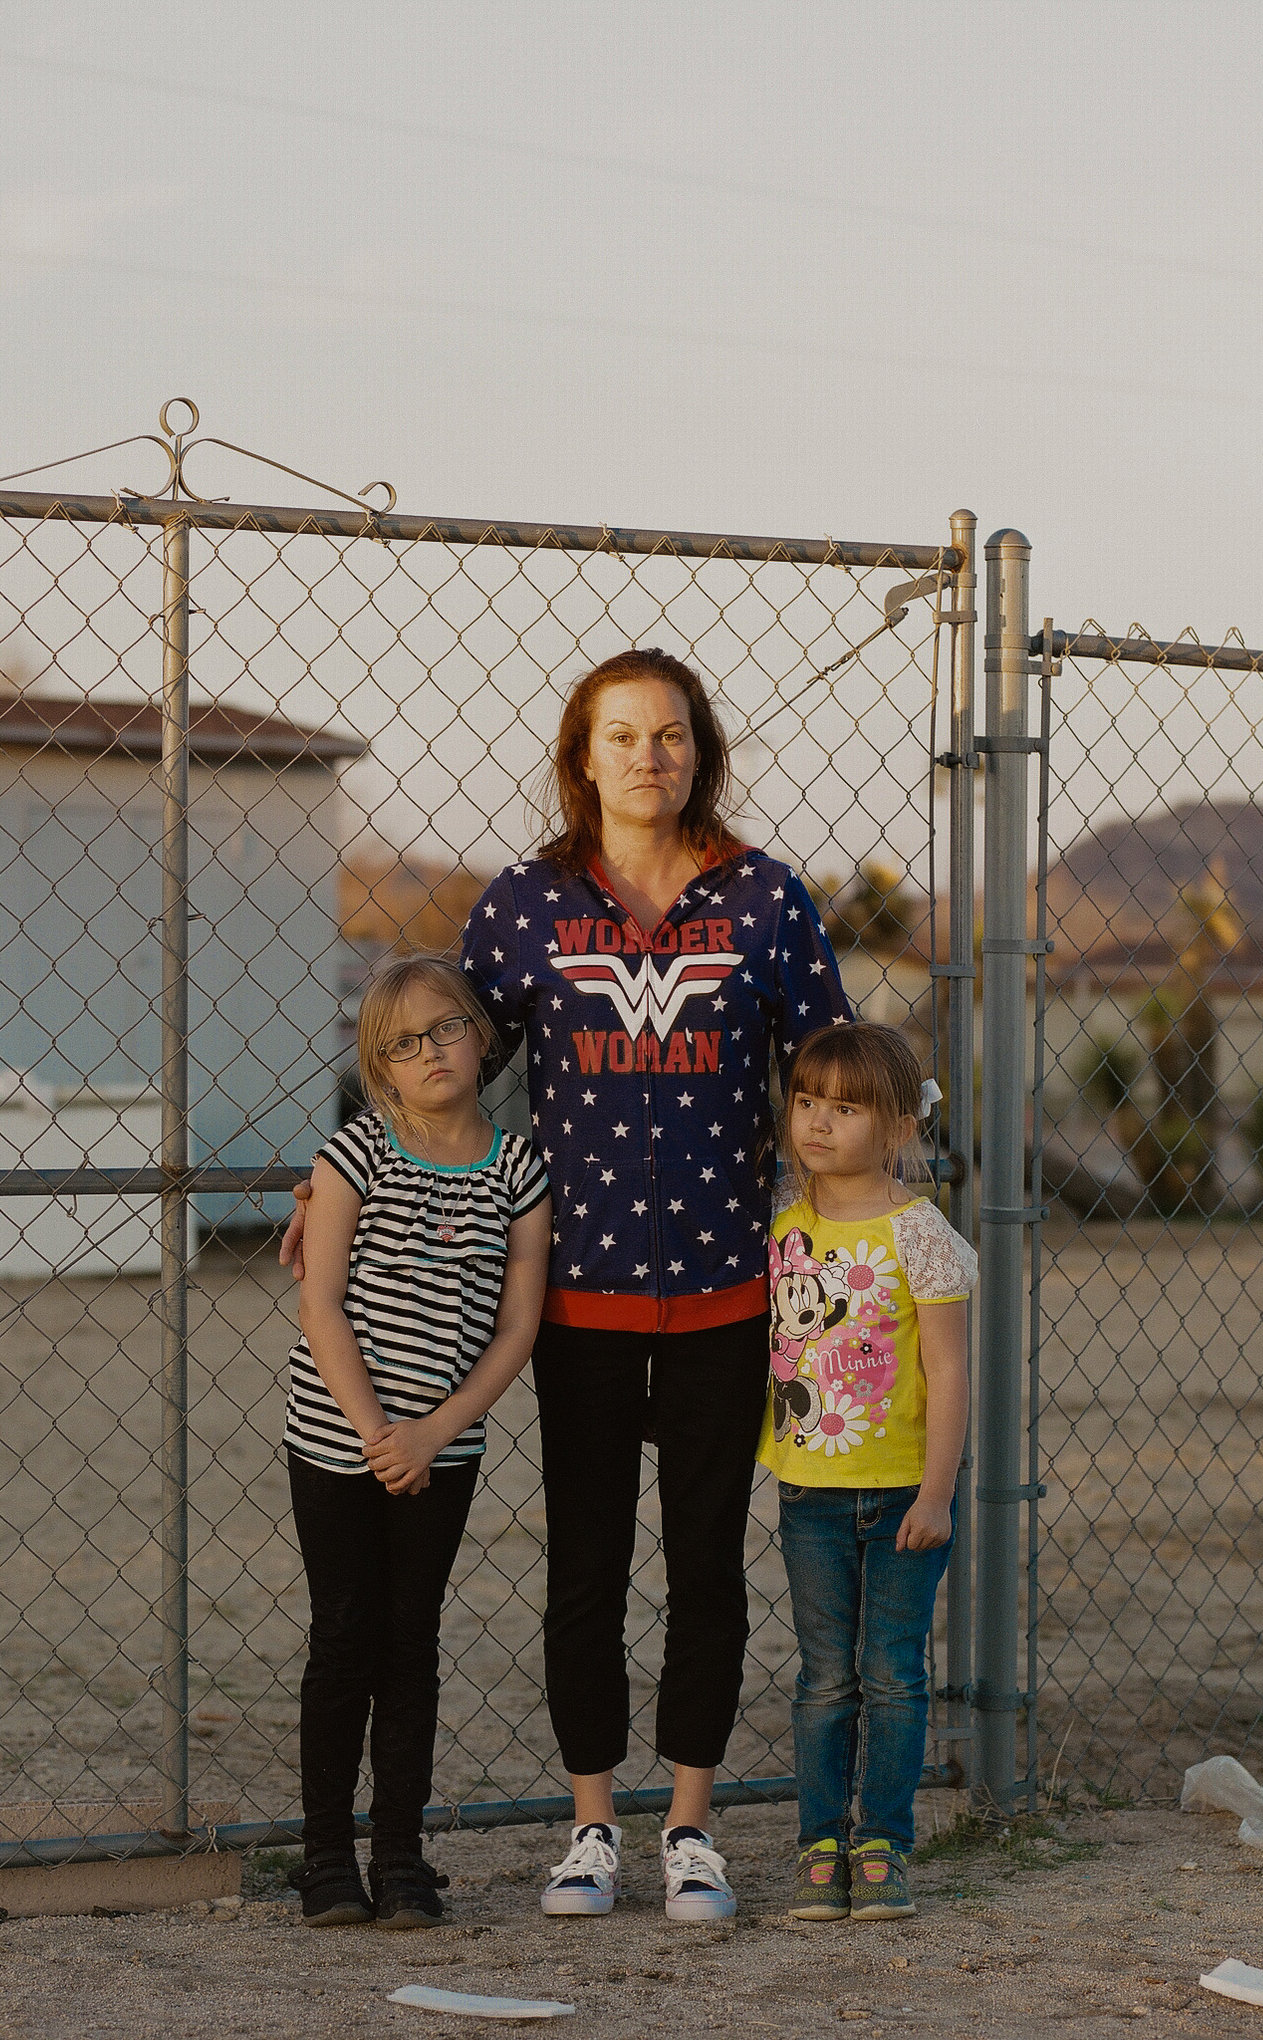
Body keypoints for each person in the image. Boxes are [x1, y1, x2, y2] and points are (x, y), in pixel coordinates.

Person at [285, 646, 849, 1923]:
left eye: (670, 735)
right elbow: (435, 1061)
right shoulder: (524, 906)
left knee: (708, 1565)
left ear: (698, 748)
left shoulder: (767, 902)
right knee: (586, 1568)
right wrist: (343, 1181)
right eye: (621, 736)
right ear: (580, 757)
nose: (648, 757)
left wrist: (862, 1219)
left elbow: (827, 1076)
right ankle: (591, 1822)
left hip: (723, 1291)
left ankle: (691, 1825)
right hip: (575, 1294)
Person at [283, 955, 552, 1929]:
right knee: (344, 1635)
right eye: (403, 1044)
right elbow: (319, 1305)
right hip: (335, 1441)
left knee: (411, 1641)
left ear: (482, 1037)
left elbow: (518, 1326)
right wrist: (373, 1434)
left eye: (445, 1029)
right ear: (378, 1068)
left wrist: (436, 1429)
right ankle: (323, 1861)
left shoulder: (518, 1171)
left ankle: (399, 1859)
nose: (429, 1052)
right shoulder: (354, 1156)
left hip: (444, 1449)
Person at [760, 1022, 972, 1924]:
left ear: (894, 1128)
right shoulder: (782, 1220)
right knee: (823, 1678)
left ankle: (882, 1840)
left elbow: (952, 1369)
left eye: (843, 1109)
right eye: (807, 1102)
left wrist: (936, 1494)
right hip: (808, 1492)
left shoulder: (917, 1233)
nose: (817, 1122)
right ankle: (819, 1843)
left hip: (899, 1497)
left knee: (891, 1672)